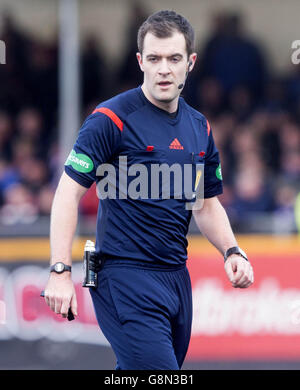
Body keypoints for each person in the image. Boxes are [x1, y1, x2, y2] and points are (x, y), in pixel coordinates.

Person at [43, 10, 254, 370]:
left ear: (191, 62)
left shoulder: (199, 127)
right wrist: (60, 270)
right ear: (140, 61)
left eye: (173, 59)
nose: (163, 69)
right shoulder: (110, 119)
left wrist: (232, 250)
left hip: (175, 278)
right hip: (122, 276)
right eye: (154, 59)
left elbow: (204, 204)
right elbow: (67, 194)